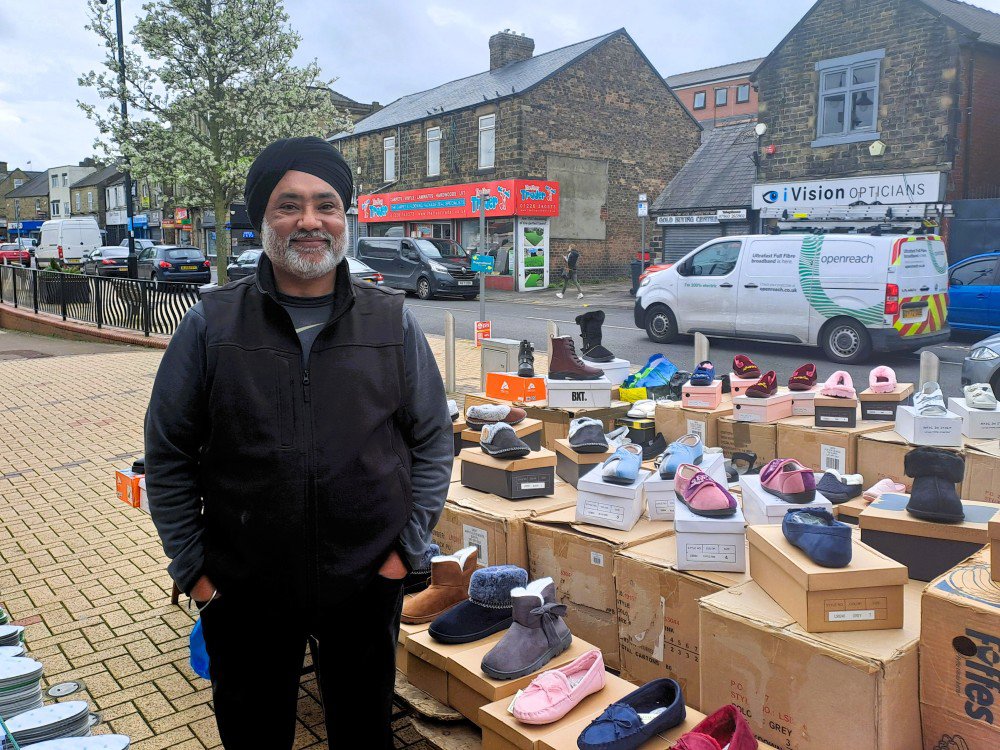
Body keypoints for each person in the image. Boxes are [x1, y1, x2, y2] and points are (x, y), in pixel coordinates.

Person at [144, 136, 453, 749]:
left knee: (364, 734)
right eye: (288, 206)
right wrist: (196, 573)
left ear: (346, 217)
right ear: (263, 219)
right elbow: (168, 456)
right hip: (243, 588)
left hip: (366, 583)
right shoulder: (211, 323)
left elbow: (432, 441)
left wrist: (404, 553)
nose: (309, 221)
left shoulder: (391, 323)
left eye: (325, 204)